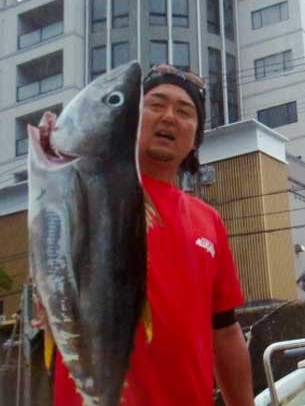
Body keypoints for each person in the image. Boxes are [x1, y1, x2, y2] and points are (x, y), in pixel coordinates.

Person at [34, 64, 254, 406]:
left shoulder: (208, 220)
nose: (168, 117)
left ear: (195, 140)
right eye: (155, 104)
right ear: (130, 123)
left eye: (185, 111)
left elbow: (224, 330)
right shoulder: (85, 190)